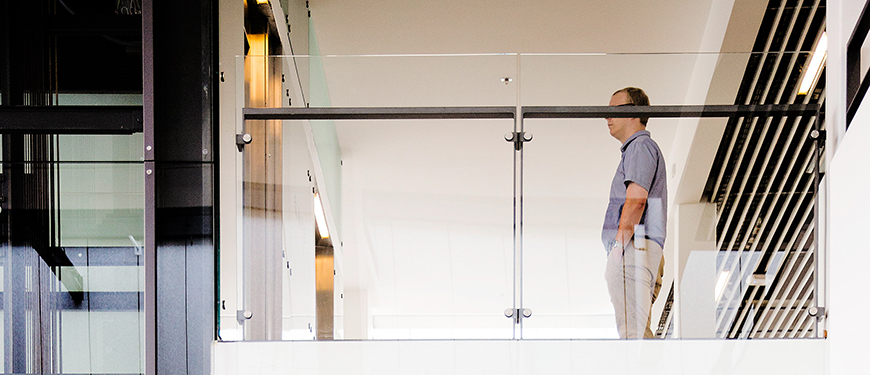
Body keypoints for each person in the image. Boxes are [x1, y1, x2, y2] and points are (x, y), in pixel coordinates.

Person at [601, 87, 667, 339]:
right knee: (637, 330)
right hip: (642, 250)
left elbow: (636, 201)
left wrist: (617, 248)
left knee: (632, 334)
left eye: (613, 110)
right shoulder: (641, 148)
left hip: (634, 248)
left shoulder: (640, 147)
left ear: (634, 113)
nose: (607, 117)